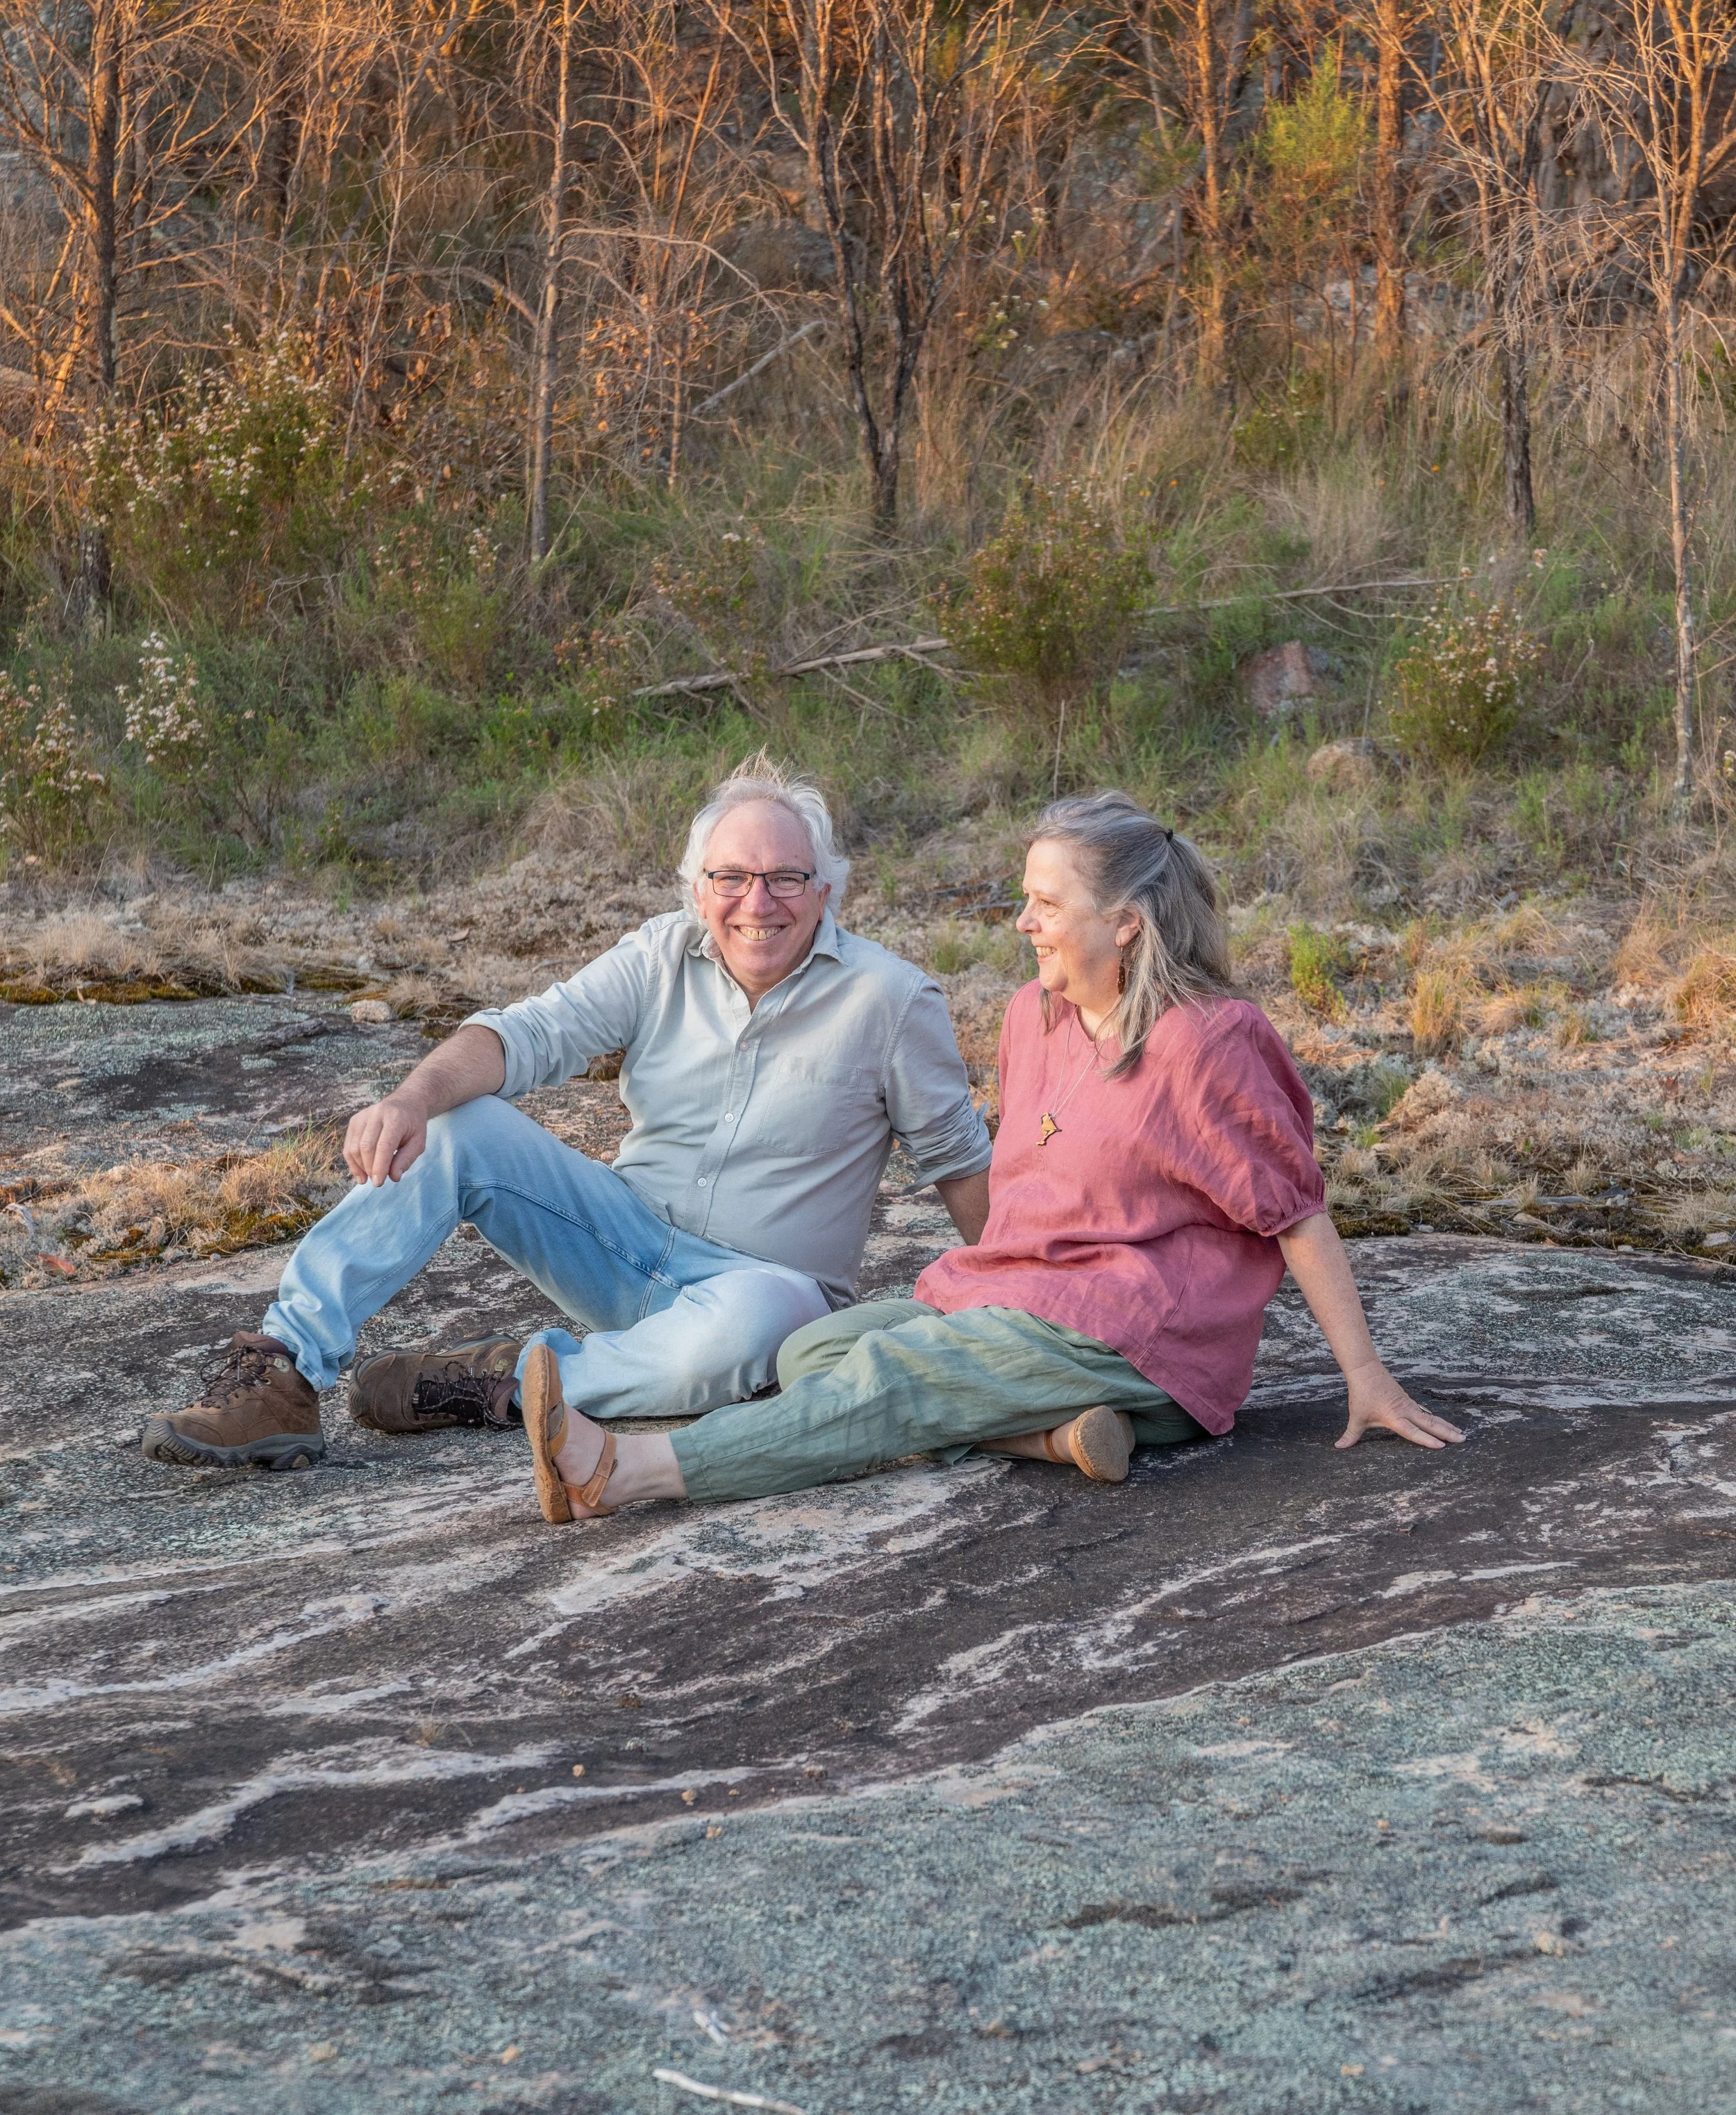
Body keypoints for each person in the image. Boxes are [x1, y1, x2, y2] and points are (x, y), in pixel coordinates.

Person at [516, 790, 1463, 1523]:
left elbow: (1294, 1211)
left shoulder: (1207, 1043)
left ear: (1125, 922)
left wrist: (1366, 1376)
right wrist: (979, 1286)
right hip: (1023, 1300)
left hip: (1140, 1336)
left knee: (894, 1383)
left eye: (1046, 903)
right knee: (812, 1350)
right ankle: (1052, 1437)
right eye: (1025, 897)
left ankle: (630, 1472)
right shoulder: (1033, 1017)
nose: (1023, 921)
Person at [141, 759, 992, 1469]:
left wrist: (1025, 1309)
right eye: (730, 877)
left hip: (766, 1292)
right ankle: (283, 1376)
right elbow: (526, 1036)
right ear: (699, 890)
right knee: (455, 1123)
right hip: (620, 1244)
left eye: (785, 878)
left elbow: (957, 1161)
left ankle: (498, 1379)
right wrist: (410, 1098)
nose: (756, 902)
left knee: (750, 1334)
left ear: (827, 888)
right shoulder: (660, 954)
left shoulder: (890, 998)